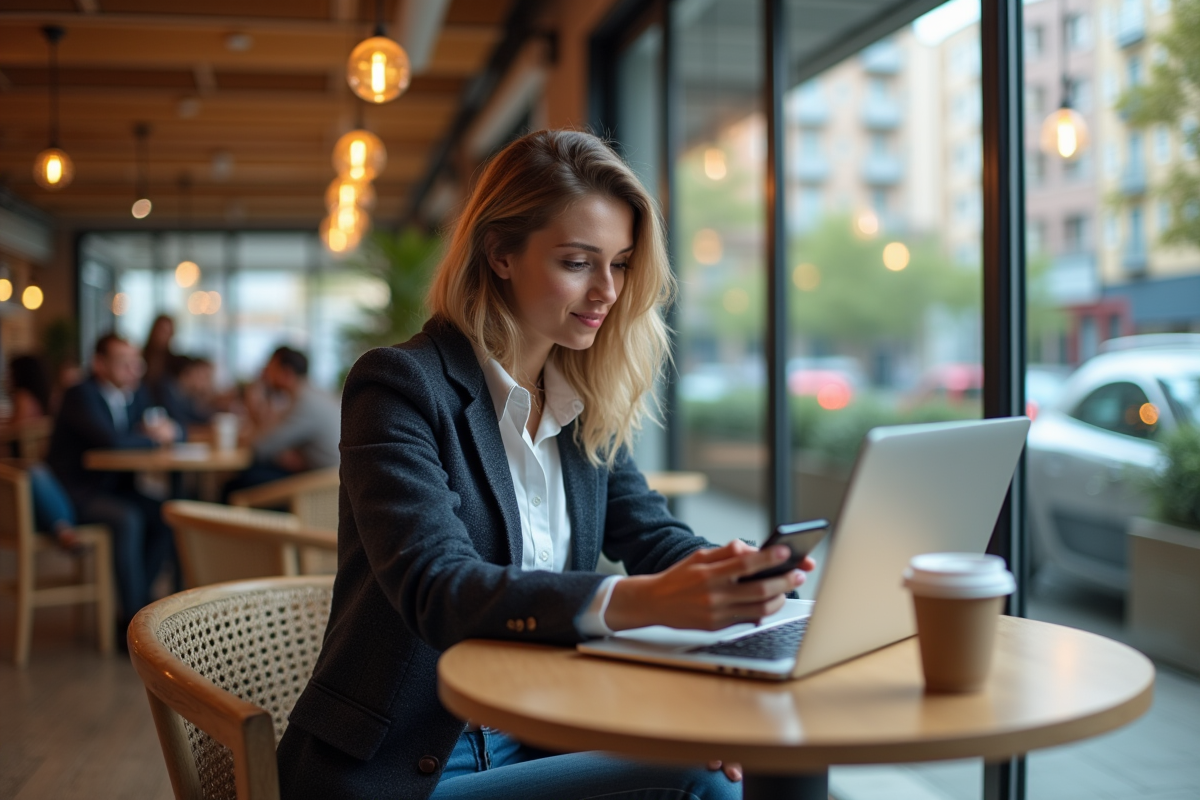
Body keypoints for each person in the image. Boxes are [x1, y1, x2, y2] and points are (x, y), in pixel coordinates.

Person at [276, 130, 814, 800]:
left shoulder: (580, 400)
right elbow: (437, 587)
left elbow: (652, 537)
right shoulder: (401, 386)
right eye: (578, 262)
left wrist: (739, 576)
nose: (607, 292)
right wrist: (640, 601)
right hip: (404, 765)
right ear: (500, 253)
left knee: (738, 760)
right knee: (699, 785)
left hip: (538, 727)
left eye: (619, 264)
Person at [45, 334, 179, 628]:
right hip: (77, 494)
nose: (133, 370)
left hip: (117, 489)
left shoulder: (135, 394)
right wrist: (154, 439)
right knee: (128, 519)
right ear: (99, 363)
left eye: (136, 362)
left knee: (168, 515)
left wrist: (168, 432)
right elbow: (112, 441)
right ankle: (131, 623)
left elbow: (169, 425)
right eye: (123, 362)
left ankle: (143, 609)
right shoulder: (80, 393)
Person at [223, 347, 339, 496]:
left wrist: (254, 408)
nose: (266, 374)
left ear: (287, 372)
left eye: (271, 369)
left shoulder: (305, 403)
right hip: (326, 480)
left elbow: (261, 448)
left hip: (321, 489)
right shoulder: (313, 394)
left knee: (240, 482)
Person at [6, 354, 79, 548]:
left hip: (16, 470)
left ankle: (63, 528)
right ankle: (63, 529)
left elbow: (12, 432)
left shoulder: (23, 398)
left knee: (34, 472)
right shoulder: (50, 397)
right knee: (37, 473)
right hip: (31, 469)